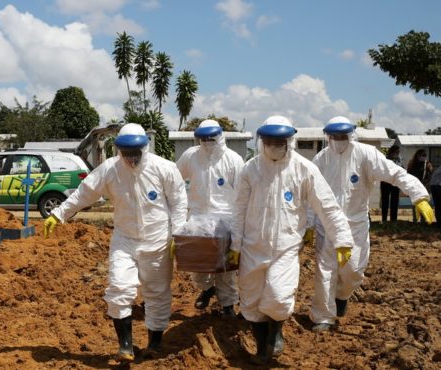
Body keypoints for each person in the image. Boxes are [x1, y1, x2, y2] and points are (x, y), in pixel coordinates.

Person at [43, 123, 187, 362]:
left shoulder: (165, 168)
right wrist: (59, 214)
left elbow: (179, 202)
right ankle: (126, 347)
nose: (130, 158)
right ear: (118, 149)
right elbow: (84, 193)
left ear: (145, 147)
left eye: (135, 153)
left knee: (157, 293)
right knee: (119, 288)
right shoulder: (110, 169)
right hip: (125, 240)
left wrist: (178, 235)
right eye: (125, 153)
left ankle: (155, 343)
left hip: (158, 240)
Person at [228, 115, 354, 364]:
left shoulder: (304, 169)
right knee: (251, 302)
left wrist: (342, 239)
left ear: (289, 140)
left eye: (279, 141)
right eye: (269, 141)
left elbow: (327, 206)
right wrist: (235, 245)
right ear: (262, 140)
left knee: (278, 296)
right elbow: (238, 210)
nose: (274, 146)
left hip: (285, 247)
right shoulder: (250, 169)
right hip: (253, 247)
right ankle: (262, 350)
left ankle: (276, 331)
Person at [308, 116, 434, 332]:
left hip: (355, 226)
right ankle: (322, 316)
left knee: (353, 271)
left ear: (351, 135)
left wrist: (419, 196)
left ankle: (342, 296)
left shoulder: (366, 154)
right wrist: (309, 224)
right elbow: (310, 193)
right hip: (327, 227)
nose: (338, 140)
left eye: (342, 136)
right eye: (333, 136)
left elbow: (395, 173)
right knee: (325, 271)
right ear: (328, 136)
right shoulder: (321, 159)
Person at [175, 119, 243, 318]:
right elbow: (174, 177)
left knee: (226, 268)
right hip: (198, 219)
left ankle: (228, 304)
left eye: (211, 139)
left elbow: (241, 195)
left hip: (225, 219)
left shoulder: (233, 159)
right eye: (203, 139)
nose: (207, 143)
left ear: (220, 137)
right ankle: (206, 289)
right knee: (197, 264)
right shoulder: (191, 156)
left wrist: (238, 227)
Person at [380, 146, 402, 223]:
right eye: (396, 152)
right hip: (385, 182)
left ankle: (393, 220)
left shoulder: (399, 159)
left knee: (395, 201)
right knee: (385, 201)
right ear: (392, 152)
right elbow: (382, 170)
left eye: (398, 152)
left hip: (395, 183)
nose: (398, 153)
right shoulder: (385, 159)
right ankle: (384, 219)